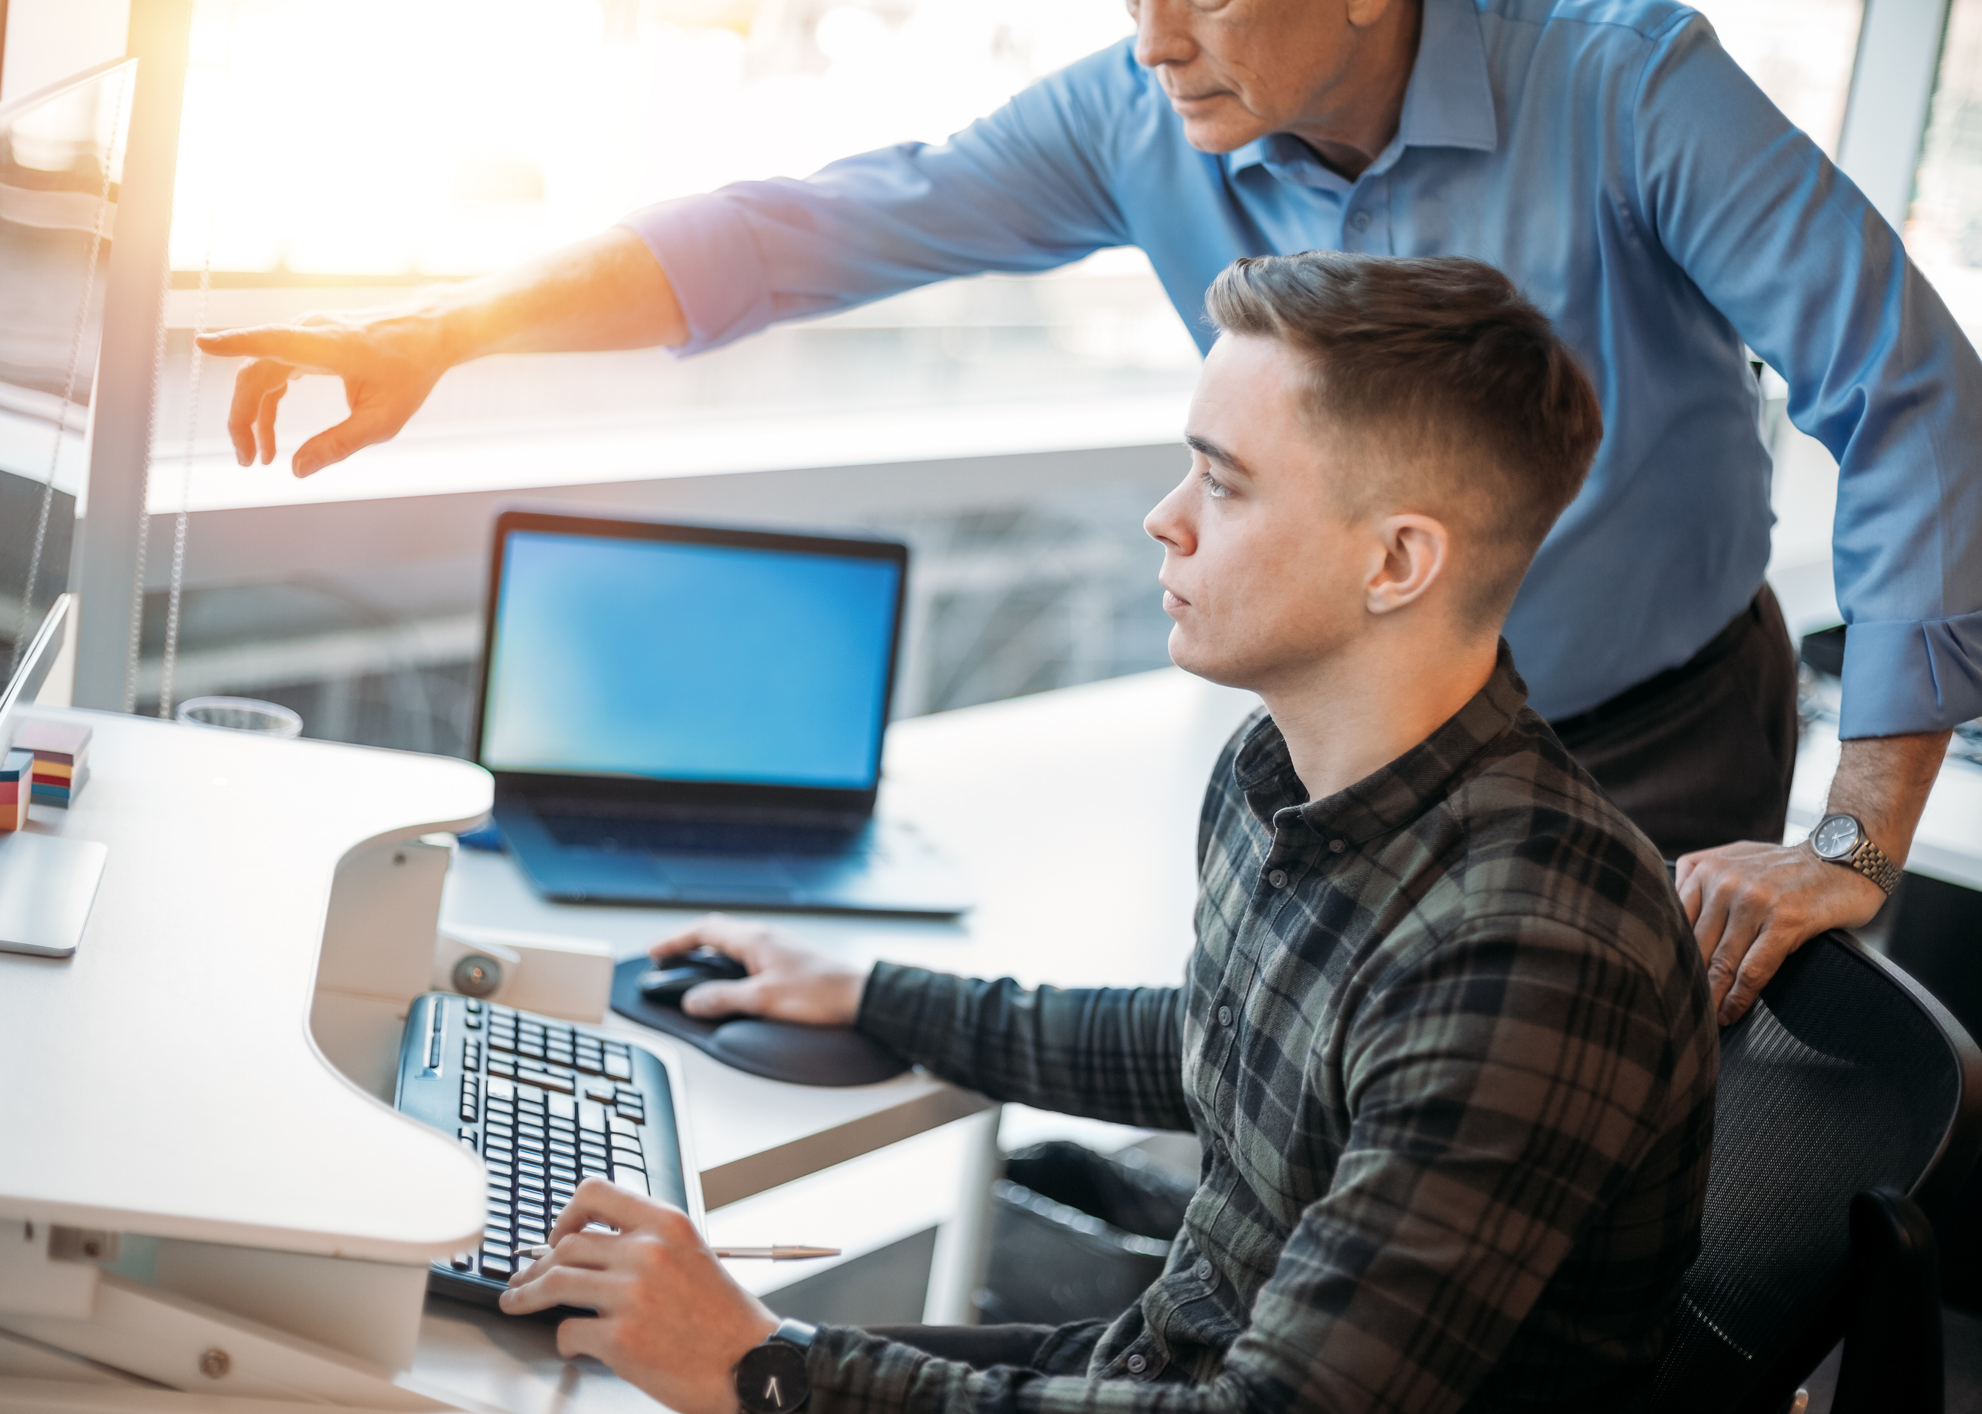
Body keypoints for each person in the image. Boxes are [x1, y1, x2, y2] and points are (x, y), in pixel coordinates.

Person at [200, 0, 1982, 1028]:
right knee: (1291, 1131)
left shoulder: (1620, 76)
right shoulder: (1144, 109)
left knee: (1557, 1208)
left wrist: (1851, 837)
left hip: (1646, 735)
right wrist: (449, 328)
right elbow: (797, 232)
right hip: (1355, 747)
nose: (1154, 34)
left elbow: (1910, 393)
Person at [494, 251, 1718, 1414]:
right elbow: (1220, 1045)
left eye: (1222, 483)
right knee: (585, 1347)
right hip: (1161, 1363)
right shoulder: (1277, 773)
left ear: (1397, 561)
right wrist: (871, 993)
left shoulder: (1527, 952)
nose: (1163, 519)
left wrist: (765, 1368)